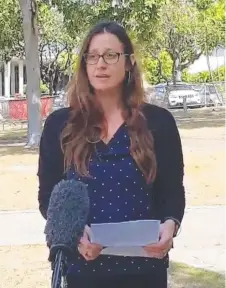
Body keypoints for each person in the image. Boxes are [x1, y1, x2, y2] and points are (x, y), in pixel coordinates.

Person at [38, 21, 185, 288]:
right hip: (83, 271)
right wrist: (71, 231)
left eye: (110, 55)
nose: (100, 64)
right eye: (92, 56)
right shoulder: (60, 125)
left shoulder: (159, 122)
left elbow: (172, 192)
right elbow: (48, 196)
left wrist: (171, 224)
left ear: (129, 62)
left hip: (145, 270)